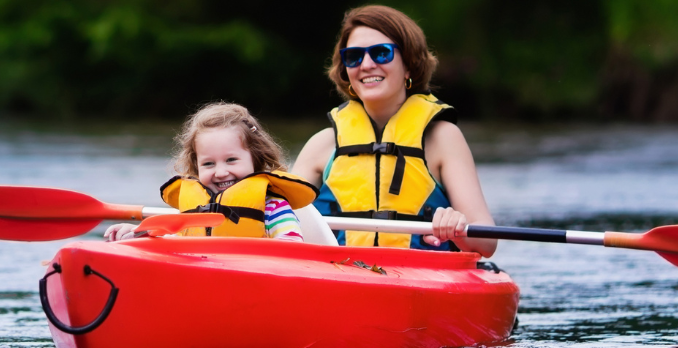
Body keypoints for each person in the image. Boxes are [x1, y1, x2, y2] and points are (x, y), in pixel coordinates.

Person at [291, 5, 498, 257]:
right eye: (354, 56)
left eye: (381, 53)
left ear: (409, 65)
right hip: (339, 276)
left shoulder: (442, 138)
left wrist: (455, 226)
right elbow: (280, 223)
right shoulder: (321, 145)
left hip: (422, 278)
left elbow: (486, 243)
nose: (366, 65)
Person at [105, 102, 318, 242]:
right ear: (196, 165)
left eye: (231, 160)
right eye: (208, 164)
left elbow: (292, 248)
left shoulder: (273, 207)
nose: (221, 172)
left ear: (256, 157)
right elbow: (170, 240)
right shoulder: (194, 209)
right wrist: (137, 232)